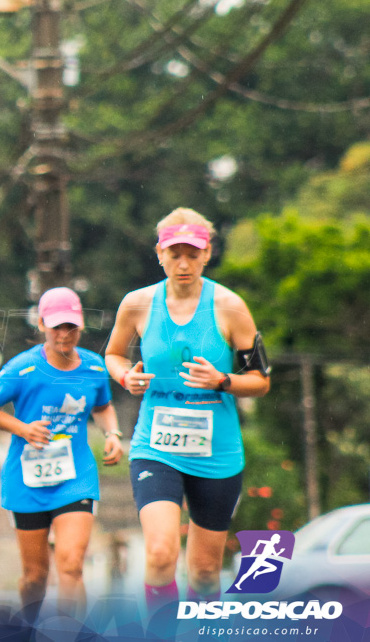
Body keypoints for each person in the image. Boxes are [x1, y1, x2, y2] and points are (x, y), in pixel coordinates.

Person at [104, 208, 271, 612]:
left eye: (192, 254)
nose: (183, 263)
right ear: (158, 253)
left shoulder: (230, 306)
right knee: (161, 555)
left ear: (207, 253)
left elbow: (261, 381)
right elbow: (112, 354)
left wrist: (223, 381)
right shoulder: (137, 304)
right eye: (174, 253)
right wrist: (126, 377)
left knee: (203, 573)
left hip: (217, 453)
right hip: (156, 447)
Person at [0, 288, 123, 624]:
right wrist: (22, 429)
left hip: (76, 477)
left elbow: (103, 407)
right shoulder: (23, 368)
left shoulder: (94, 367)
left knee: (70, 565)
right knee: (35, 577)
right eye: (56, 326)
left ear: (81, 327)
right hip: (27, 480)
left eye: (71, 326)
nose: (63, 334)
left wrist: (112, 434)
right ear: (42, 324)